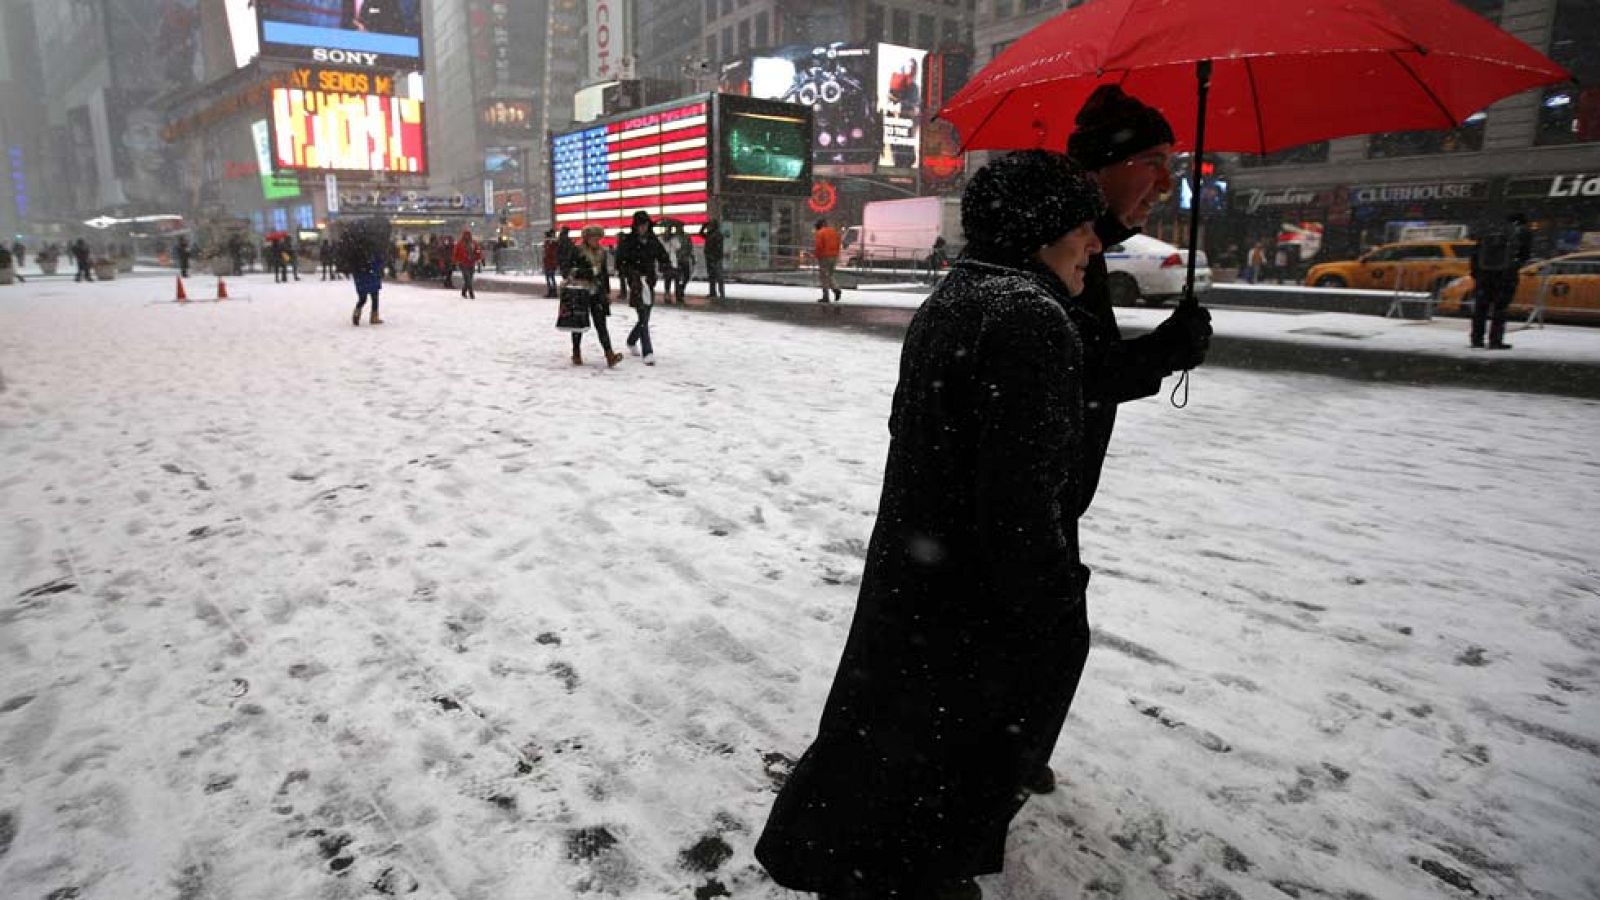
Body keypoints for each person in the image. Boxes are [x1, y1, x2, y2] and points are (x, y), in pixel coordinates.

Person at [756, 150, 1114, 900]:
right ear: (1045, 228)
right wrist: (1054, 607)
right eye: (1085, 227)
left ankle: (876, 866)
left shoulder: (959, 297)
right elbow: (1020, 504)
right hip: (974, 609)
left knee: (890, 748)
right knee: (944, 782)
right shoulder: (1030, 318)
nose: (1097, 245)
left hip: (919, 584)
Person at [561, 224, 624, 368]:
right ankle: (576, 352)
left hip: (597, 292)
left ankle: (609, 354)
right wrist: (589, 272)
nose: (596, 240)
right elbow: (569, 270)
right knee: (578, 323)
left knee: (601, 324)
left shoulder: (602, 252)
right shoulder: (577, 251)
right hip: (580, 292)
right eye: (593, 238)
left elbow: (603, 275)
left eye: (598, 238)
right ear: (586, 238)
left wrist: (606, 292)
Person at [1470, 212, 1531, 350]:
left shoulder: (1489, 232)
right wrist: (1513, 268)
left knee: (1481, 308)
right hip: (1505, 275)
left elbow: (1475, 253)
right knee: (1500, 308)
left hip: (1484, 274)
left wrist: (1477, 273)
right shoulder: (1522, 233)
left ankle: (1477, 338)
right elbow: (1524, 255)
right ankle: (1495, 340)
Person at [616, 210, 671, 310]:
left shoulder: (652, 240)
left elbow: (662, 255)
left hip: (649, 275)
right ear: (635, 226)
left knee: (648, 304)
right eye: (640, 225)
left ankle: (642, 324)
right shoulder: (629, 240)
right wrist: (625, 270)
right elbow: (620, 257)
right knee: (641, 307)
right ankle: (642, 324)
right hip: (634, 276)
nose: (642, 228)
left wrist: (665, 265)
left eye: (645, 224)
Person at [351, 251, 384, 326]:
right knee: (375, 297)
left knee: (362, 299)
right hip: (372, 276)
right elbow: (378, 262)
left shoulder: (356, 252)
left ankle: (356, 313)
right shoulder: (373, 250)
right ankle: (374, 317)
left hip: (360, 278)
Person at [665, 223, 694, 304]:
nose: (679, 229)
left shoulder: (686, 236)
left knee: (686, 276)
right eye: (677, 227)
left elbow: (690, 247)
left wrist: (691, 256)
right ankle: (678, 294)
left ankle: (680, 289)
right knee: (676, 278)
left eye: (680, 227)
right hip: (677, 261)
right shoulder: (673, 237)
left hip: (684, 259)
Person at [814, 218, 841, 302]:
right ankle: (835, 288)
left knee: (824, 277)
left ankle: (826, 296)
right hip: (834, 256)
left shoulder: (820, 233)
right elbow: (838, 243)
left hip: (824, 257)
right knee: (829, 275)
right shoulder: (834, 232)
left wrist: (817, 255)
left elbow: (819, 246)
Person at [701, 219, 727, 301]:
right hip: (710, 257)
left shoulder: (717, 235)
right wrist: (703, 227)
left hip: (715, 258)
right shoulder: (710, 234)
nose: (709, 227)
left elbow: (718, 248)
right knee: (712, 276)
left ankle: (721, 293)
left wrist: (715, 256)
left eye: (711, 225)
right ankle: (713, 292)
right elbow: (701, 234)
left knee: (718, 276)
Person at [453, 229, 483, 299]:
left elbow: (478, 251)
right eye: (465, 235)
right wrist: (455, 261)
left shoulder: (474, 243)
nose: (467, 236)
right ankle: (471, 293)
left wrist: (478, 258)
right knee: (467, 278)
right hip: (463, 263)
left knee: (469, 279)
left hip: (471, 263)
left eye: (468, 235)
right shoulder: (459, 244)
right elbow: (455, 253)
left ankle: (464, 291)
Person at [542, 229, 561, 298]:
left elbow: (550, 253)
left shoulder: (550, 243)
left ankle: (552, 291)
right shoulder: (550, 243)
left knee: (550, 277)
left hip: (550, 263)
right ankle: (552, 291)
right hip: (550, 263)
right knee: (550, 278)